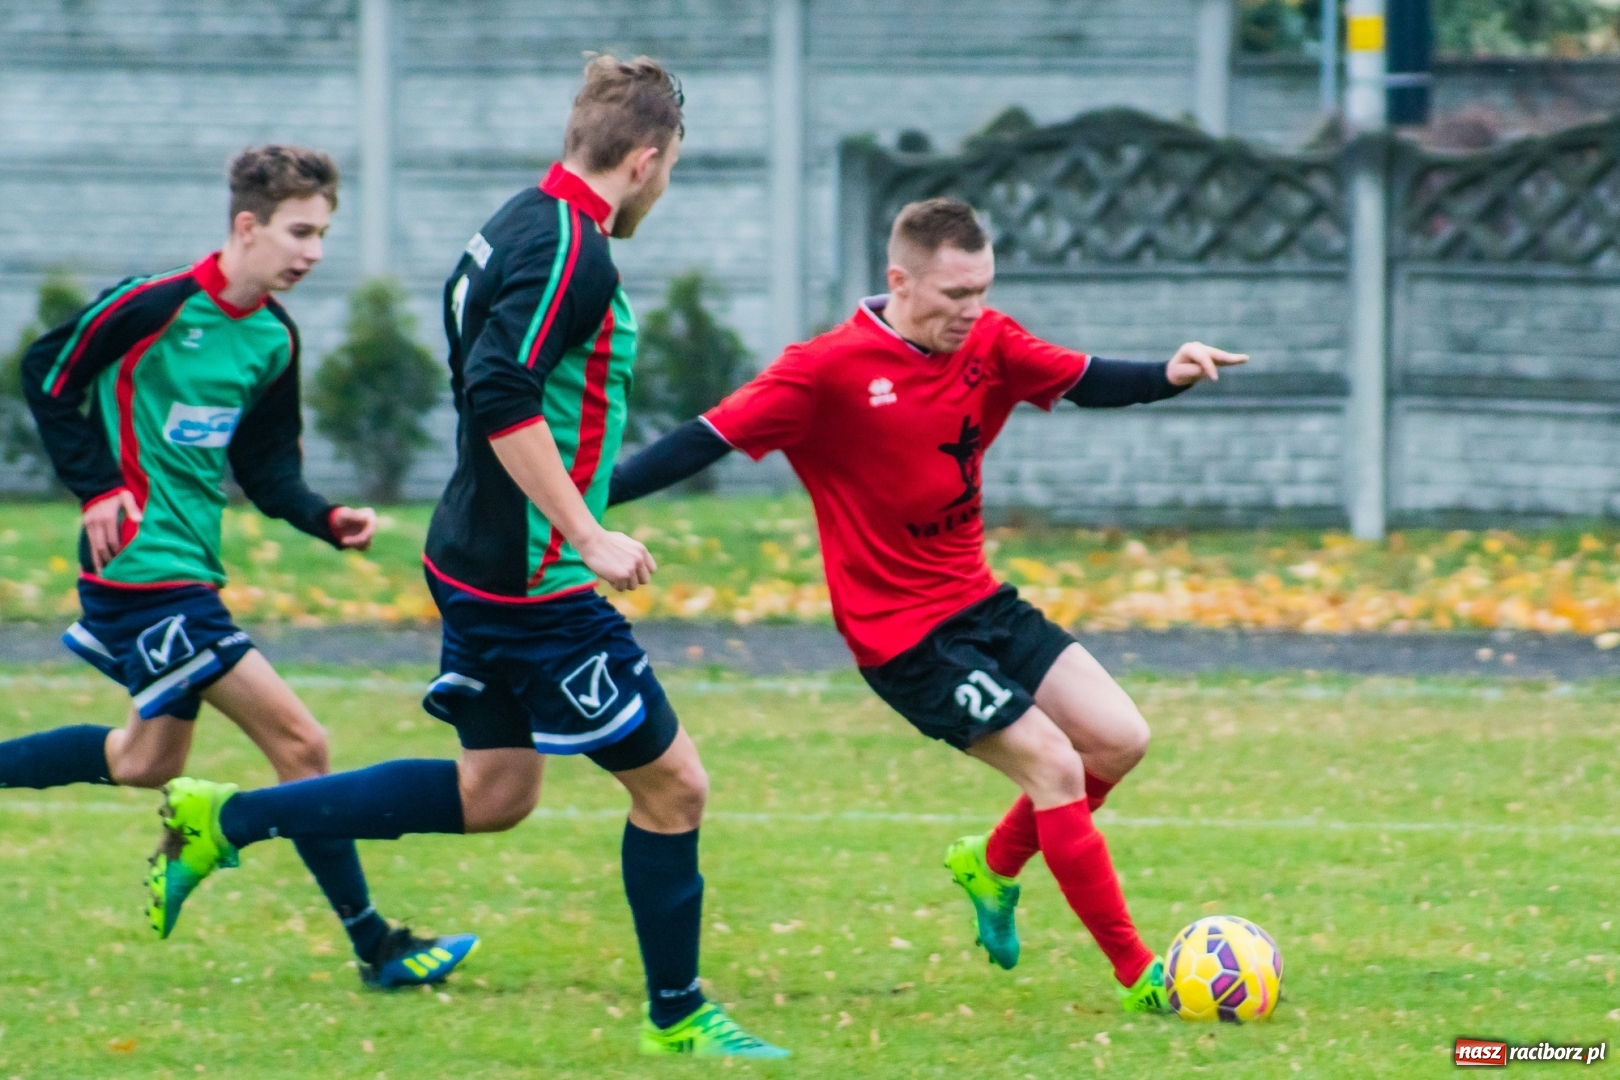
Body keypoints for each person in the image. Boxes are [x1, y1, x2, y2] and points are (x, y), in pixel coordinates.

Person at [146, 57, 788, 1060]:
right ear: (648, 158)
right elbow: (499, 394)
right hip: (533, 579)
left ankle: (228, 819)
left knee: (497, 793)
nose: (664, 189)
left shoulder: (515, 220)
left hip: (478, 555)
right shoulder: (574, 250)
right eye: (670, 172)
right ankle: (678, 1014)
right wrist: (586, 533)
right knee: (675, 790)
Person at [607, 196, 1248, 1013]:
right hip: (905, 639)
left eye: (981, 290)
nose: (971, 312)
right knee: (1053, 765)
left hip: (978, 601)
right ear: (899, 280)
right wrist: (579, 506)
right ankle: (1140, 977)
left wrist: (1171, 371)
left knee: (1120, 741)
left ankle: (992, 865)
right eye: (954, 295)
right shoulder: (822, 371)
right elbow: (702, 440)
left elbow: (1084, 378)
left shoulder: (990, 341)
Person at [14, 145, 475, 988]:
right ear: (246, 225)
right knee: (303, 742)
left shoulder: (271, 337)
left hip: (190, 571)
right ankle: (376, 946)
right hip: (141, 574)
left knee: (143, 762)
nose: (313, 253)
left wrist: (325, 518)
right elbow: (46, 371)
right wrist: (96, 488)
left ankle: (209, 833)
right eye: (299, 232)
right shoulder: (151, 307)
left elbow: (266, 471)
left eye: (323, 235)